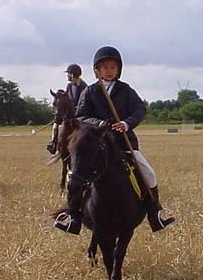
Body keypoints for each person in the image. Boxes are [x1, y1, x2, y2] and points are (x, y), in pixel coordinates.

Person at [65, 46, 175, 234]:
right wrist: (99, 123)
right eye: (104, 67)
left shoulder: (126, 90)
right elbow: (81, 116)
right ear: (97, 70)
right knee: (74, 176)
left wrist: (126, 123)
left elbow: (140, 110)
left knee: (149, 174)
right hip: (96, 146)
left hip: (124, 144)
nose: (109, 70)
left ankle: (154, 214)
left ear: (118, 70)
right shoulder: (90, 92)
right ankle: (72, 217)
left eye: (112, 67)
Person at [47, 64, 87, 154]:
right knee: (55, 126)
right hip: (69, 115)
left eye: (68, 74)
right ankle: (53, 144)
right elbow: (67, 99)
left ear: (72, 75)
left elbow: (84, 103)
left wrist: (76, 109)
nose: (67, 76)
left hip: (81, 115)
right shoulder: (69, 86)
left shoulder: (84, 87)